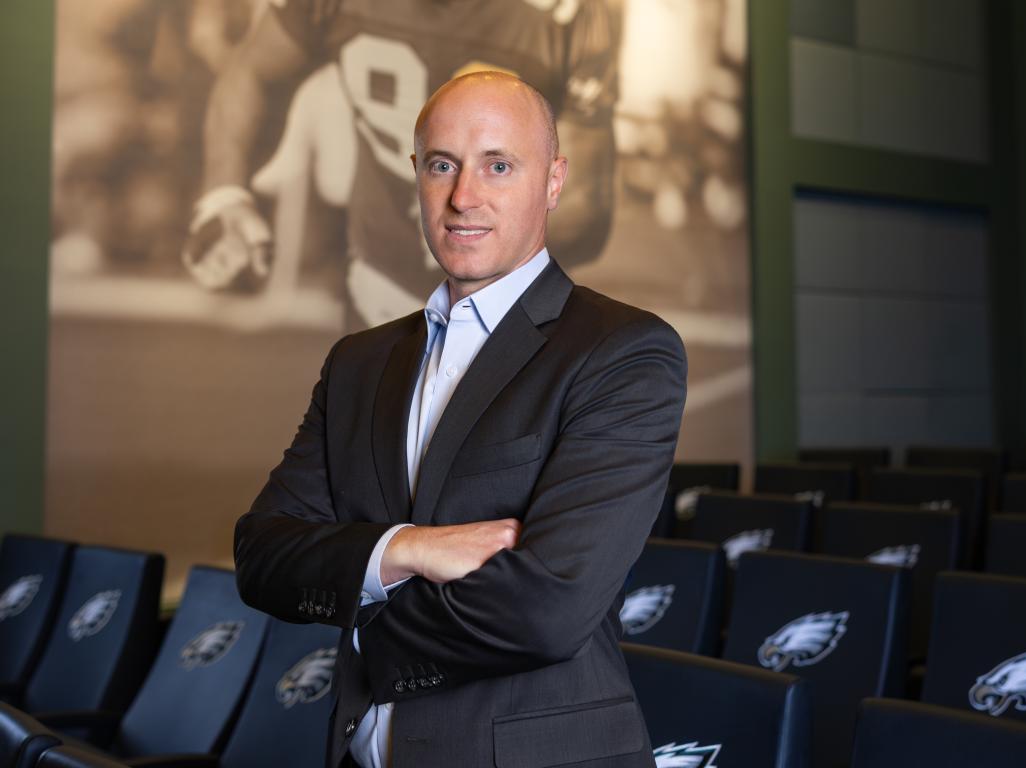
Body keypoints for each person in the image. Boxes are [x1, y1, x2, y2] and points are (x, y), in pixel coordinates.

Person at [234, 71, 687, 768]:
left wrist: (363, 628)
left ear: (555, 180)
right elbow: (262, 556)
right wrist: (406, 549)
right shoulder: (358, 362)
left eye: (498, 165)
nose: (462, 197)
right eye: (442, 165)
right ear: (415, 174)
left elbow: (547, 611)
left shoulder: (622, 352)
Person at [183, 0, 619, 331]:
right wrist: (223, 193)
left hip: (502, 302)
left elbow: (582, 210)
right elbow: (250, 69)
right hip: (381, 286)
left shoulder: (565, 12)